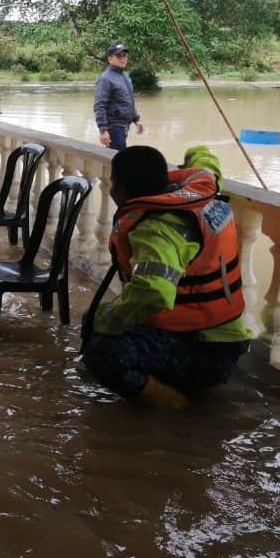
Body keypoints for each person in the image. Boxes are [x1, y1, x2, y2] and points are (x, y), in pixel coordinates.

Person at [80, 145, 251, 409]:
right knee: (92, 321)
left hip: (204, 349)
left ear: (121, 190)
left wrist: (106, 320)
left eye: (114, 184)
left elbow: (154, 291)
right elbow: (206, 161)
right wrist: (195, 152)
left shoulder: (157, 230)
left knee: (102, 353)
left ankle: (176, 407)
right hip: (223, 338)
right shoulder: (201, 193)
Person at [94, 41, 143, 151]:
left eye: (124, 55)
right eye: (118, 56)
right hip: (114, 128)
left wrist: (136, 119)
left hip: (124, 126)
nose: (123, 58)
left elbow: (128, 100)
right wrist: (103, 130)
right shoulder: (105, 79)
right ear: (110, 59)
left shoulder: (125, 76)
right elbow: (99, 106)